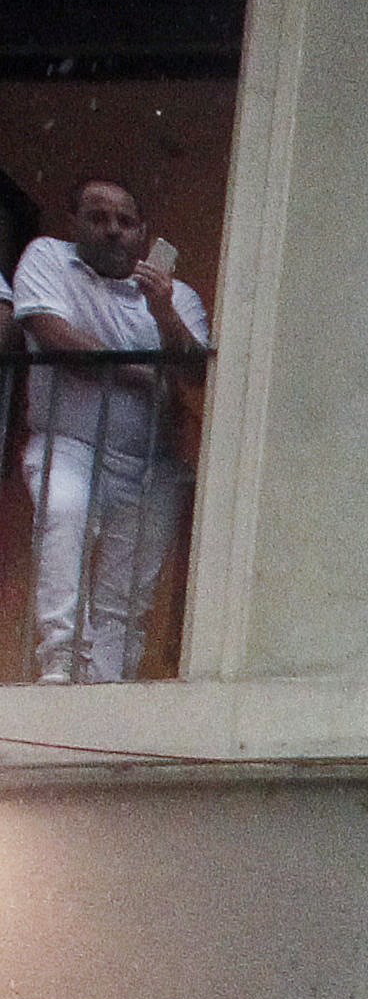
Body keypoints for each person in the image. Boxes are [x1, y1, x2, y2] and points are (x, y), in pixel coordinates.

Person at [11, 176, 208, 683]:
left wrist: (163, 311)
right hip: (68, 443)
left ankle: (106, 684)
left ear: (143, 233)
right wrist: (145, 373)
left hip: (150, 463)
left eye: (125, 221)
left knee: (128, 591)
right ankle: (61, 664)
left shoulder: (178, 296)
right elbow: (54, 337)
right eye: (98, 218)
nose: (113, 230)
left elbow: (195, 374)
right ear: (74, 223)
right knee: (63, 515)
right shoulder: (48, 258)